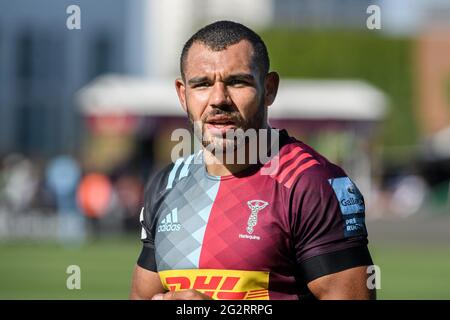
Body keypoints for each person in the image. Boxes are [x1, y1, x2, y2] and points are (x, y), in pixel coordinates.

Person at [130, 20, 375, 300]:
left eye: (237, 82)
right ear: (183, 95)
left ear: (269, 88)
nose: (219, 99)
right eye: (202, 84)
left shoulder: (311, 185)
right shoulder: (167, 183)